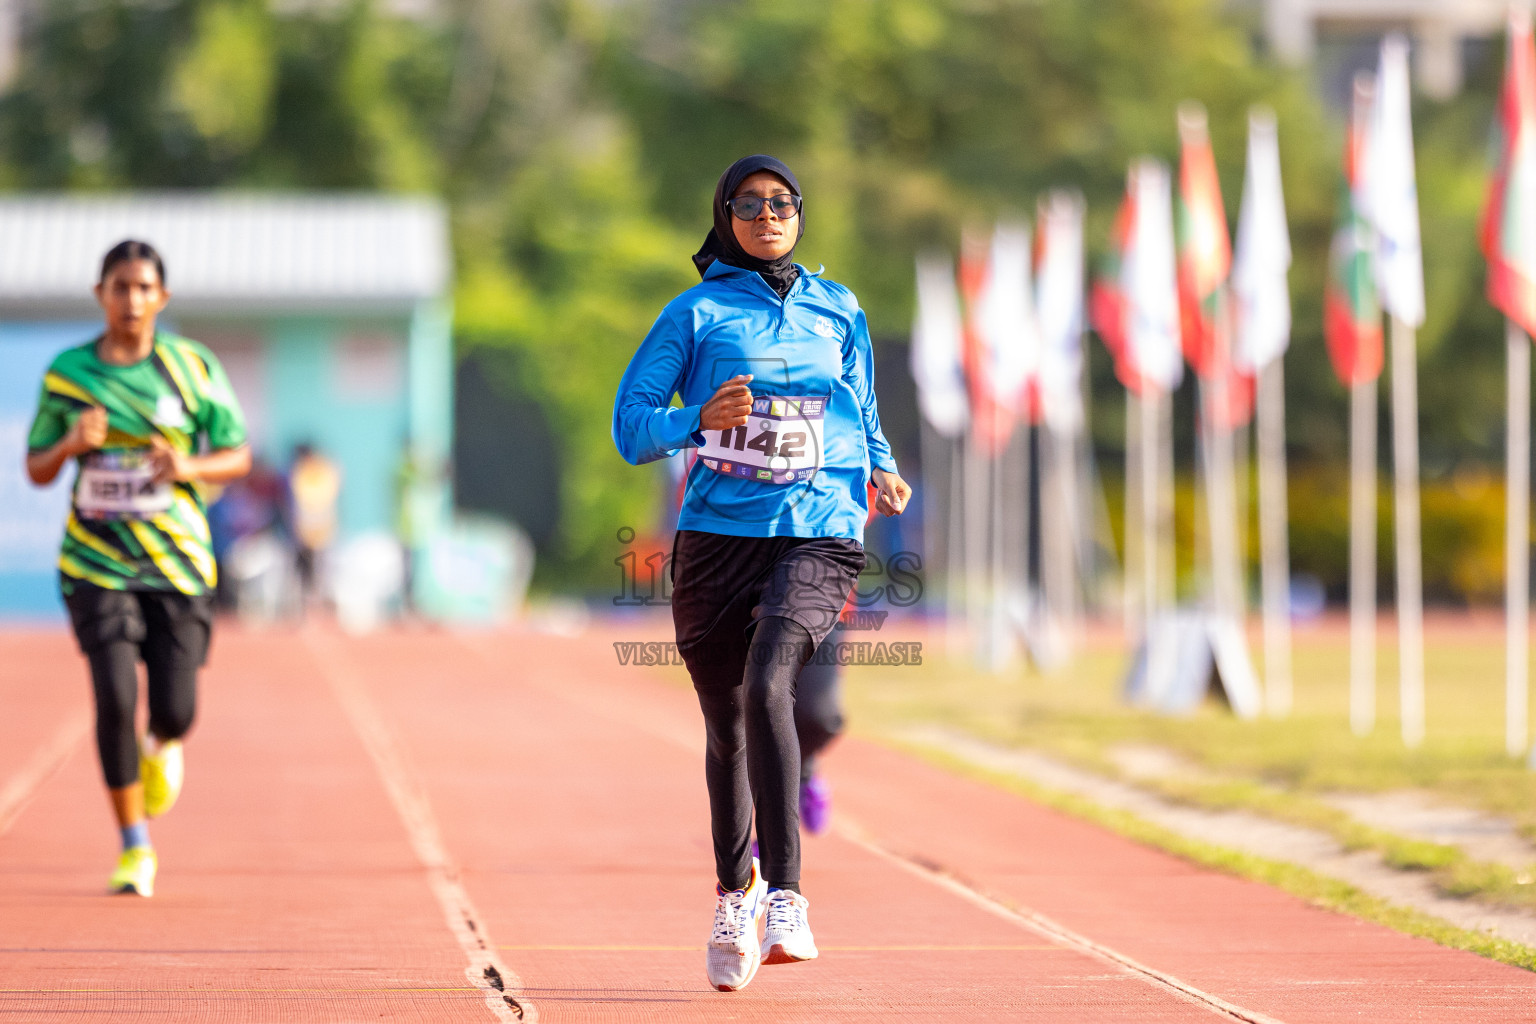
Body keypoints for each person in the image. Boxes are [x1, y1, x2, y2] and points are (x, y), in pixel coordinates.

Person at [613, 155, 911, 992]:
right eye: (750, 204)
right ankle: (731, 892)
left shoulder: (836, 306)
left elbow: (863, 407)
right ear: (726, 216)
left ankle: (787, 895)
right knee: (725, 727)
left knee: (769, 682)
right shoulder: (696, 312)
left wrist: (880, 468)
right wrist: (696, 418)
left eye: (782, 202)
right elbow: (633, 427)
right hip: (716, 540)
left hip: (818, 533)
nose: (768, 214)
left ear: (799, 214)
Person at [25, 240, 250, 897]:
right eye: (119, 287)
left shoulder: (190, 367)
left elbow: (235, 456)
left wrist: (187, 467)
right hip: (95, 561)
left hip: (176, 563)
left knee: (176, 711)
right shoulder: (69, 373)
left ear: (163, 298)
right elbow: (37, 469)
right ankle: (134, 847)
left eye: (143, 287)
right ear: (100, 294)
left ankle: (162, 745)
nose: (131, 299)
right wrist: (71, 442)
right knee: (115, 697)